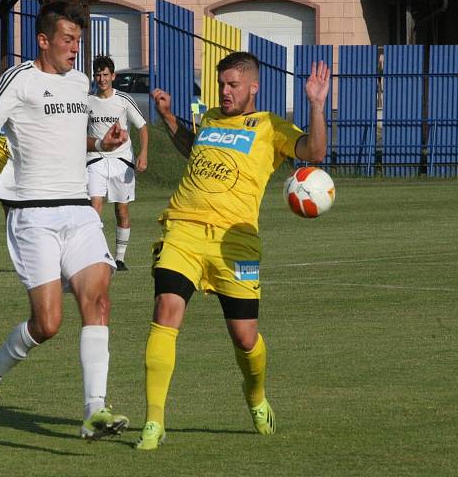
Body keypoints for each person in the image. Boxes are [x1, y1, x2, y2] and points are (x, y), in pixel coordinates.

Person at [0, 0, 131, 441]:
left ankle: (95, 411)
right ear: (43, 40)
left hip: (79, 210)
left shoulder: (80, 81)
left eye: (79, 41)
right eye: (68, 39)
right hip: (32, 216)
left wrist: (102, 141)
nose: (75, 49)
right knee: (47, 324)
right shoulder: (19, 80)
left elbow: (68, 137)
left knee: (99, 302)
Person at [135, 52, 330, 450]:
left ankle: (256, 396)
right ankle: (154, 421)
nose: (224, 92)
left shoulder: (270, 127)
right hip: (183, 229)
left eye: (233, 85)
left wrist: (314, 104)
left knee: (245, 338)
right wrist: (170, 117)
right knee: (166, 311)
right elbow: (195, 150)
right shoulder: (209, 118)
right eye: (221, 84)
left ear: (252, 87)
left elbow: (313, 153)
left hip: (235, 242)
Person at [86, 55, 149, 271]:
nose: (101, 79)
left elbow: (142, 127)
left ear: (113, 76)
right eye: (98, 75)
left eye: (105, 75)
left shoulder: (123, 100)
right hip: (95, 160)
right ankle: (95, 255)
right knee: (94, 207)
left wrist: (143, 154)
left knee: (121, 211)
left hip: (122, 161)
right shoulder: (88, 101)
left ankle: (119, 258)